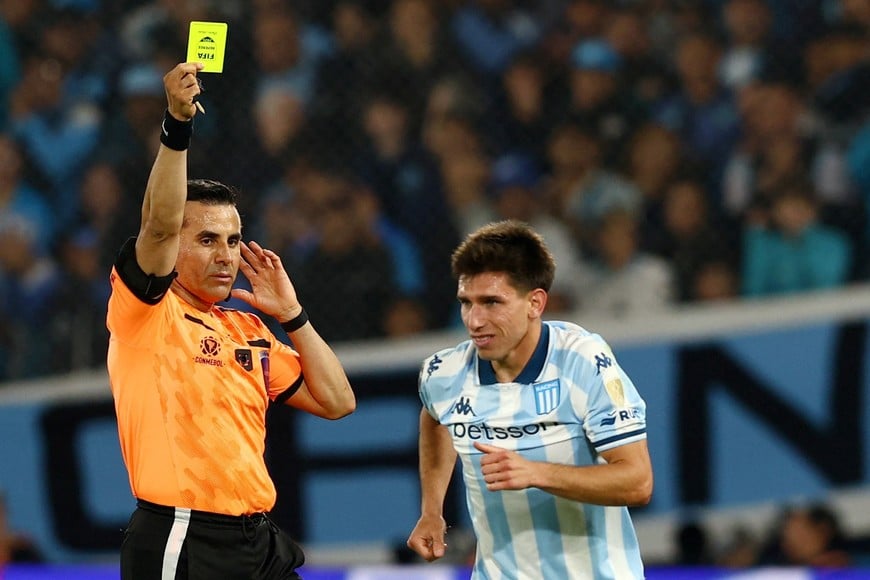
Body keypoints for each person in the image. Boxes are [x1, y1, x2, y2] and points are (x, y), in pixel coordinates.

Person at [107, 62, 356, 580]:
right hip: (182, 537)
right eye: (205, 239)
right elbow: (156, 224)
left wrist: (293, 315)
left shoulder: (249, 330)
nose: (225, 255)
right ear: (172, 246)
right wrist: (177, 126)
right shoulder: (145, 312)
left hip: (258, 539)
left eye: (233, 240)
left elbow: (337, 402)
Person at [406, 220, 653, 579]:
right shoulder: (444, 373)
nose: (474, 320)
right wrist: (432, 510)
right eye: (466, 303)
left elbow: (638, 482)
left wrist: (536, 472)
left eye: (492, 302)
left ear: (535, 303)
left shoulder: (582, 361)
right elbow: (434, 419)